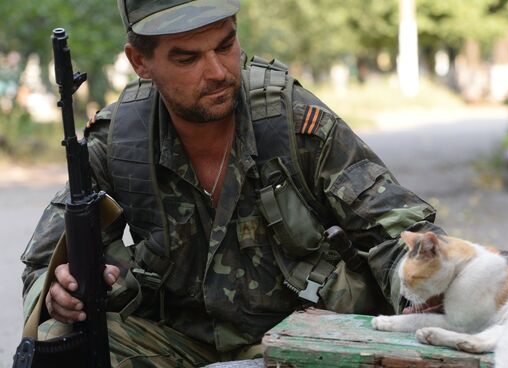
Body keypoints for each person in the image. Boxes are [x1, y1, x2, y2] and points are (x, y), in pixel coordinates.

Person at [20, 0, 443, 366]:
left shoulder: (291, 122)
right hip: (181, 348)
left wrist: (429, 289)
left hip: (306, 347)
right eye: (187, 58)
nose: (218, 71)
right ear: (140, 62)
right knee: (60, 339)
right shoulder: (120, 141)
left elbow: (398, 232)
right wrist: (59, 290)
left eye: (225, 45)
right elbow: (43, 262)